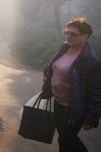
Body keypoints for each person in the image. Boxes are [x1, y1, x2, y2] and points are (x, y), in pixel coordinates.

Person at [41, 17, 101, 152]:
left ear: (85, 37)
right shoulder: (64, 48)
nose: (68, 36)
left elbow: (96, 91)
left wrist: (92, 118)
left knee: (65, 140)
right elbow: (54, 68)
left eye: (72, 34)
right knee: (66, 136)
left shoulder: (92, 60)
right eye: (66, 32)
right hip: (58, 102)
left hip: (74, 107)